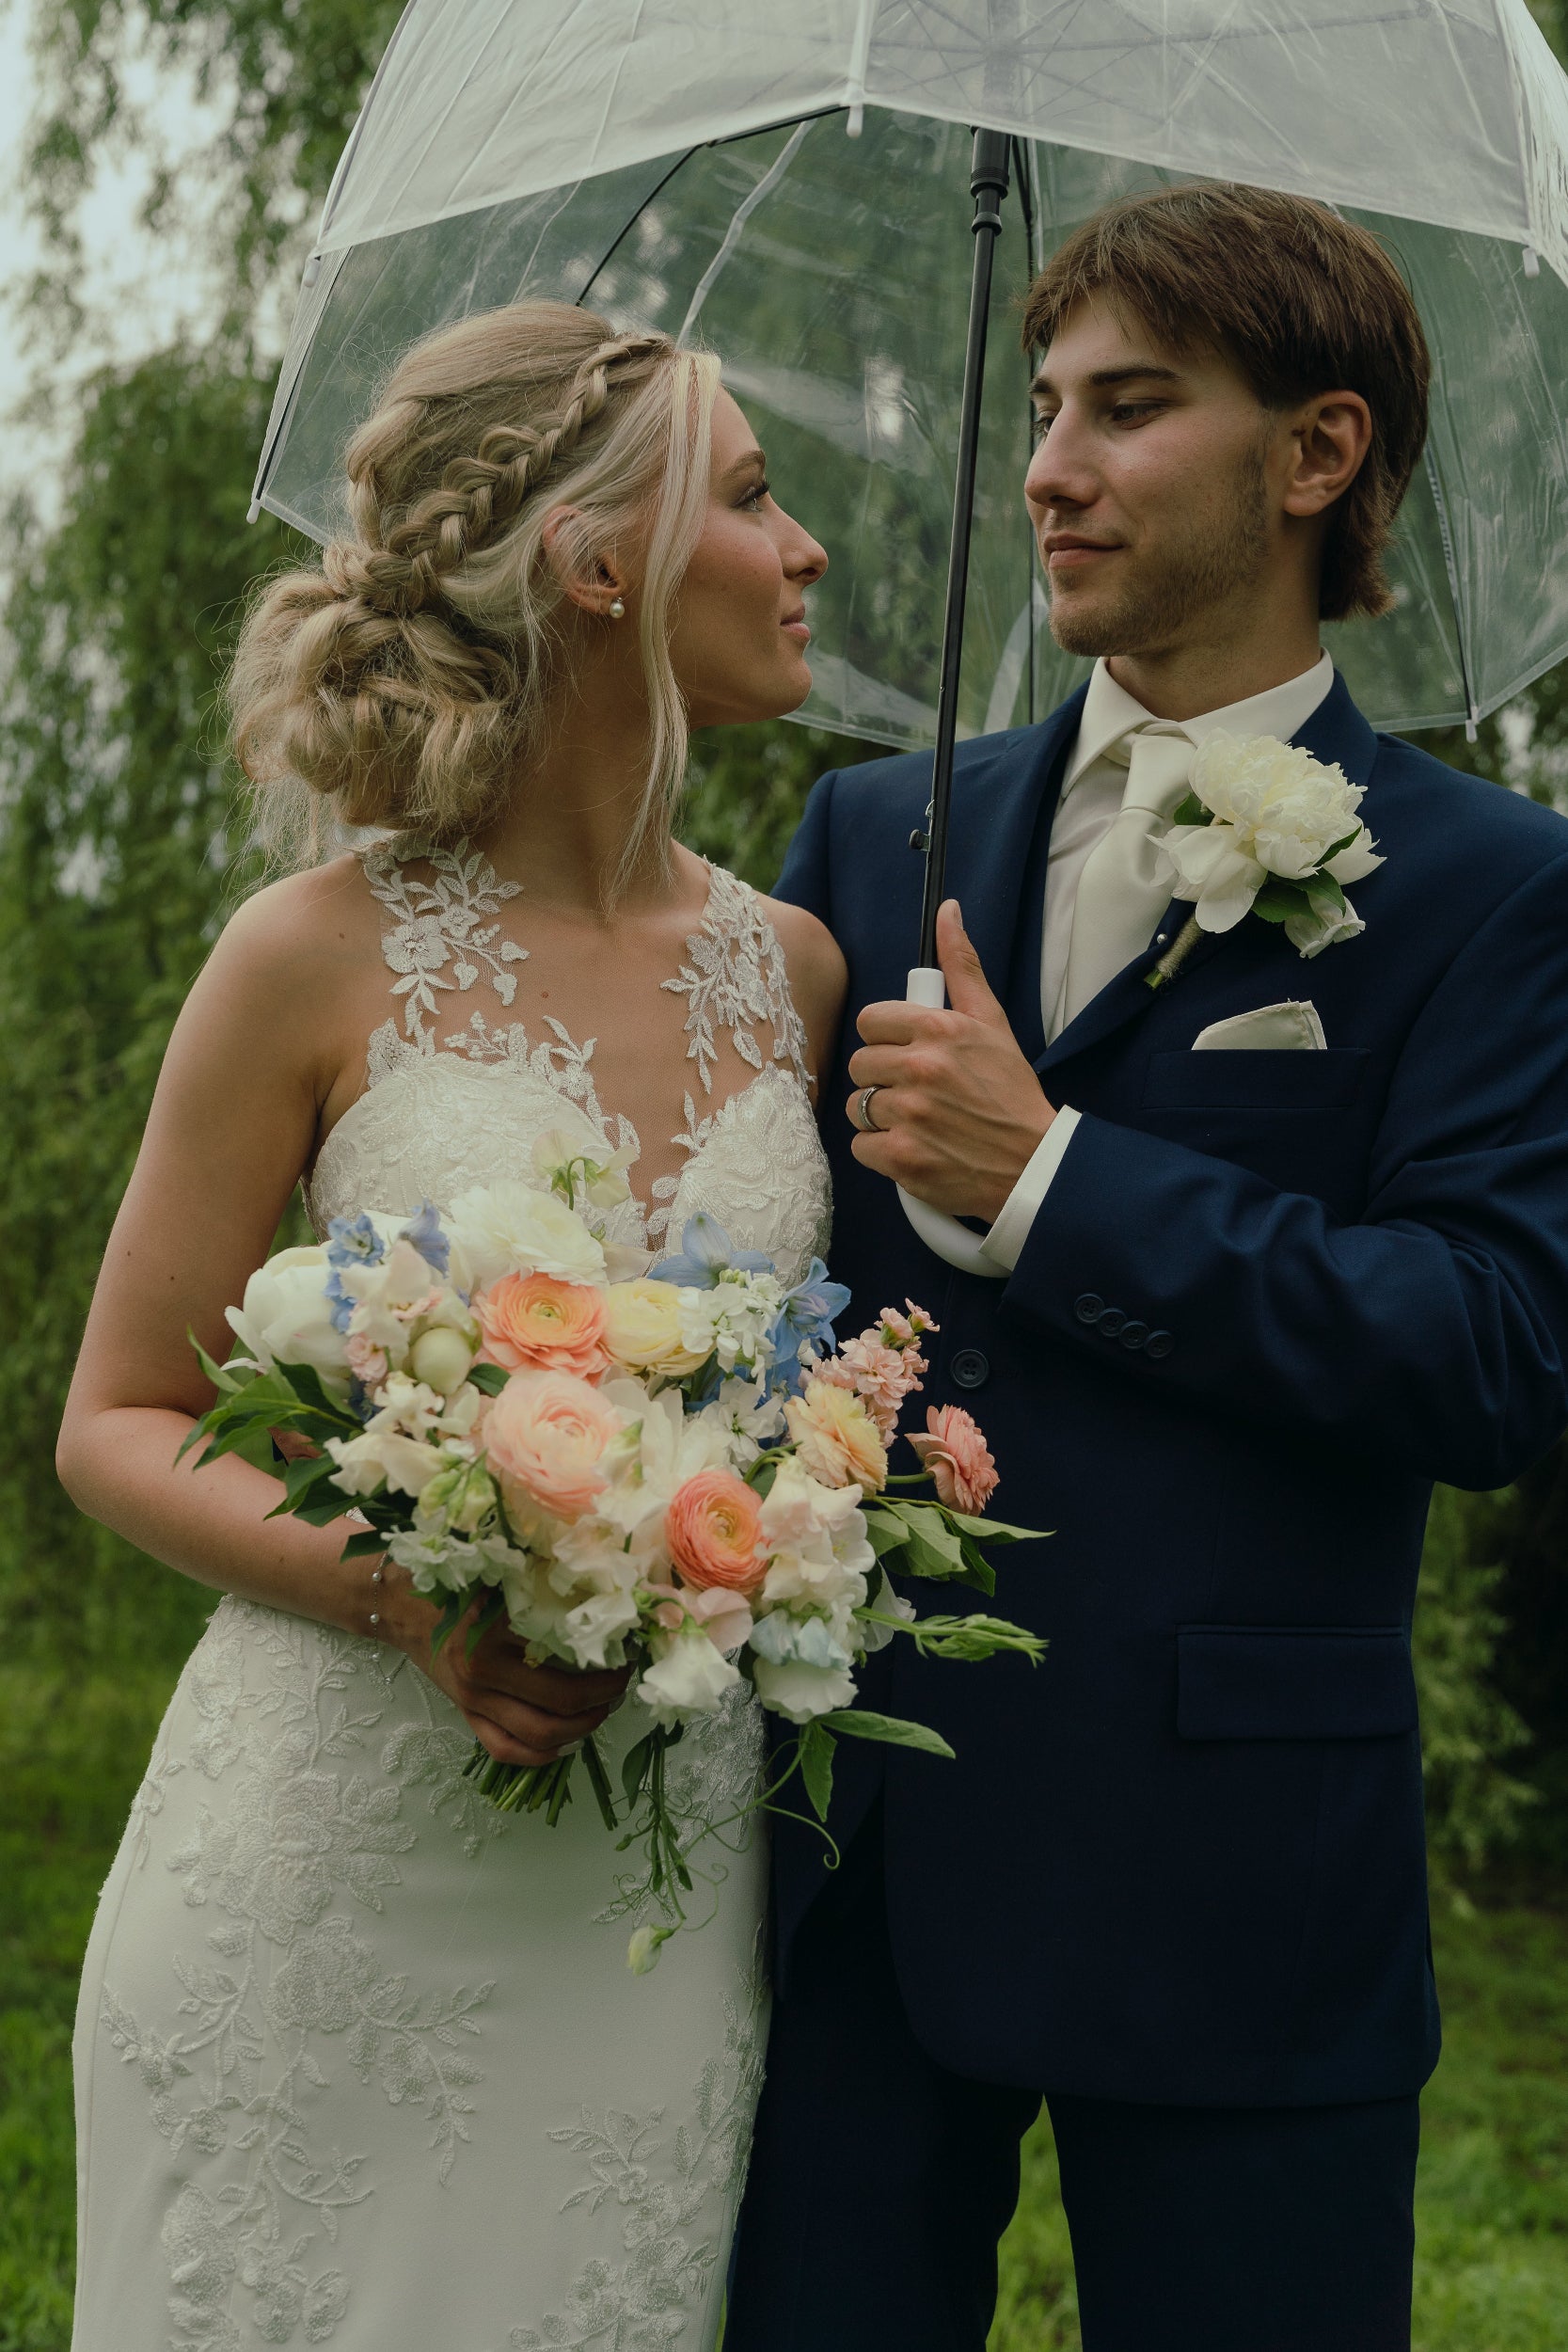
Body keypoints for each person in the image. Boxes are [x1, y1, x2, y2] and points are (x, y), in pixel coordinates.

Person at [726, 183, 1568, 2352]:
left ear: (1317, 453)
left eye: (1131, 406)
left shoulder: (1492, 888)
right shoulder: (869, 835)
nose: (1048, 465)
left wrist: (1058, 1175)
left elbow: (1490, 1347)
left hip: (1234, 1871)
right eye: (1041, 404)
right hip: (854, 1846)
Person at [56, 301, 840, 2351]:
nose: (805, 548)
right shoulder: (304, 956)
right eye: (752, 496)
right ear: (601, 564)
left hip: (647, 1903)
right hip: (322, 1869)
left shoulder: (805, 976)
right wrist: (424, 1601)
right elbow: (118, 1418)